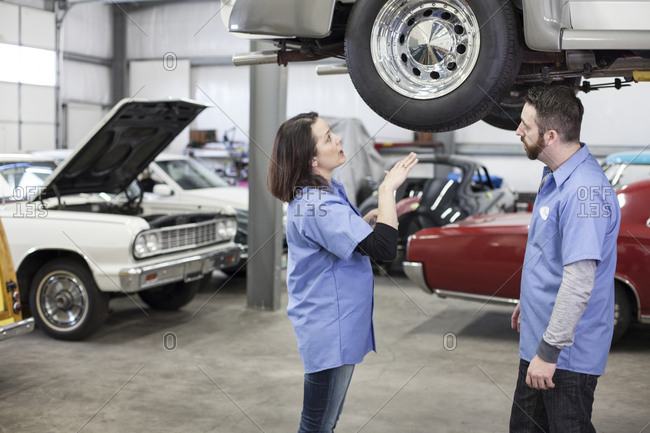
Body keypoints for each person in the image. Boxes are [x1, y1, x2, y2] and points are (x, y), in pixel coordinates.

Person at [267, 112, 419, 432]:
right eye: (328, 138)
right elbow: (383, 250)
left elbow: (345, 241)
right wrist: (387, 189)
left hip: (331, 323)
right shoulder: (318, 203)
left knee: (323, 421)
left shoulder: (322, 191)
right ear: (310, 160)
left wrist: (363, 224)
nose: (338, 139)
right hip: (329, 329)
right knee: (318, 425)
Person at [509, 86, 621, 432]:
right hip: (542, 342)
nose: (518, 131)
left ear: (551, 136)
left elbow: (578, 281)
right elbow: (552, 256)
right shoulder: (556, 176)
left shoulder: (582, 191)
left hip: (563, 358)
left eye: (526, 126)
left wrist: (548, 352)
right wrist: (530, 301)